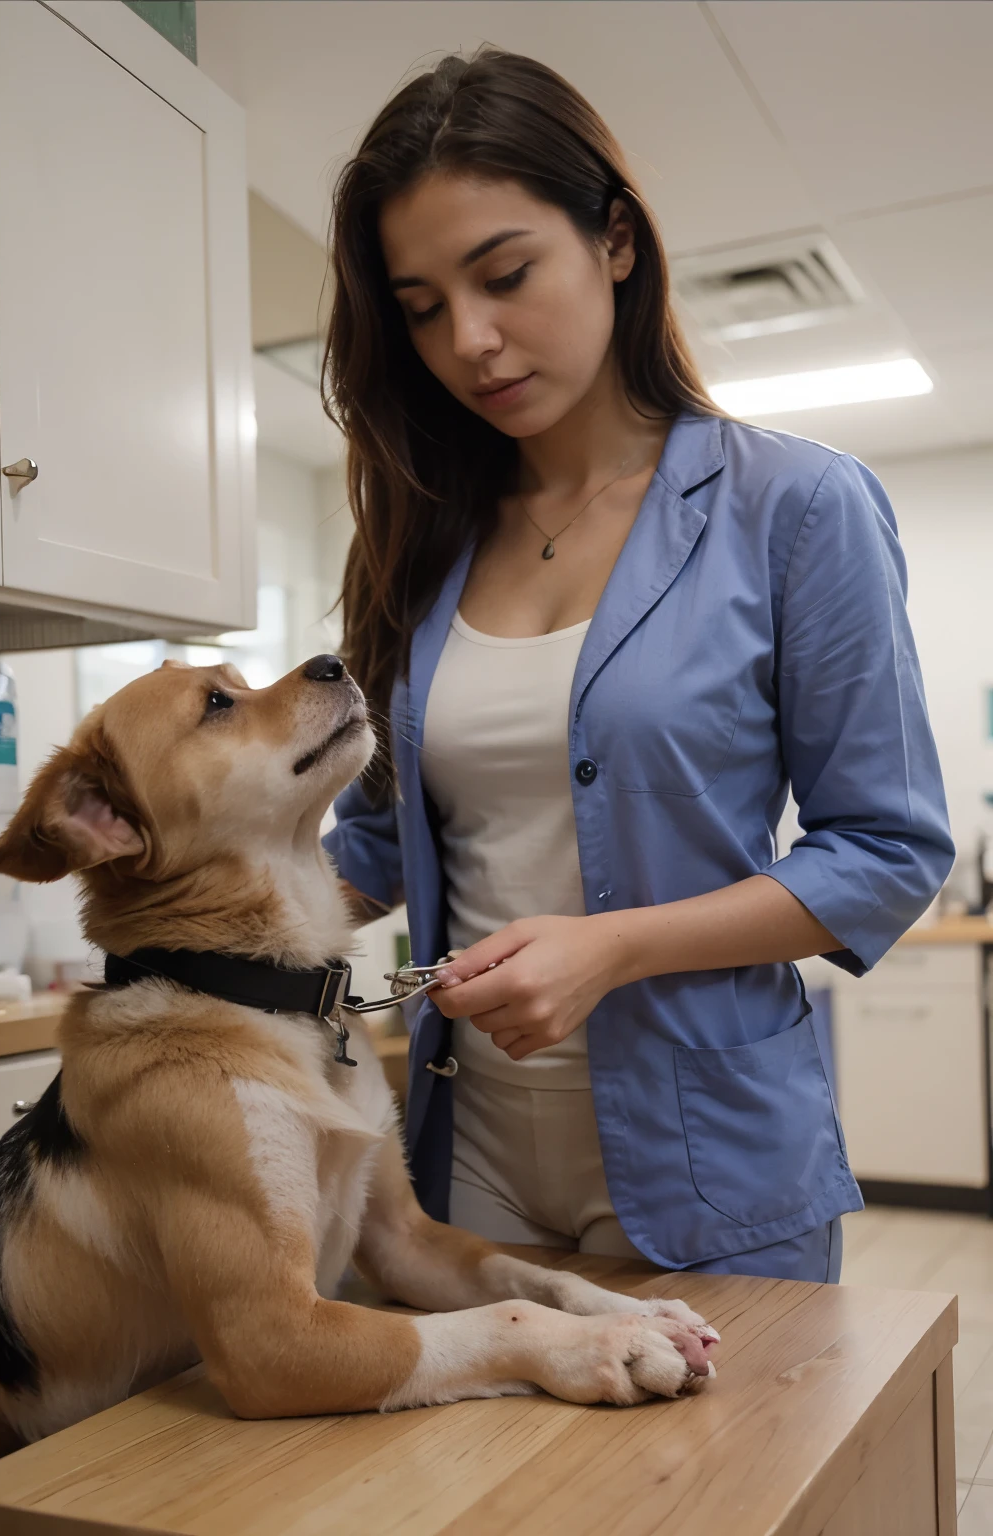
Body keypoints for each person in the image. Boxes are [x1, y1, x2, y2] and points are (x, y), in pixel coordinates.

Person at [321, 47, 953, 1282]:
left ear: (614, 240)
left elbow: (886, 850)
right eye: (422, 308)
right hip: (469, 1157)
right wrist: (168, 932)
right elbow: (376, 844)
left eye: (504, 275)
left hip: (711, 1156)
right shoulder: (419, 532)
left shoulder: (795, 507)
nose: (474, 341)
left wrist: (614, 947)